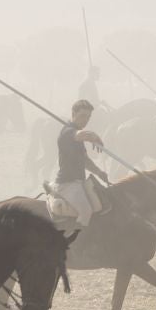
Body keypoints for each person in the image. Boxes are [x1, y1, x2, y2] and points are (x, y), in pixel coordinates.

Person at [53, 99, 109, 238]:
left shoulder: (77, 136)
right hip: (67, 184)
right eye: (82, 116)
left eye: (88, 117)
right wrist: (94, 136)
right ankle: (75, 243)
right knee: (86, 211)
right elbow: (82, 135)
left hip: (79, 182)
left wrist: (99, 172)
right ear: (73, 113)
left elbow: (85, 161)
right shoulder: (68, 132)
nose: (85, 120)